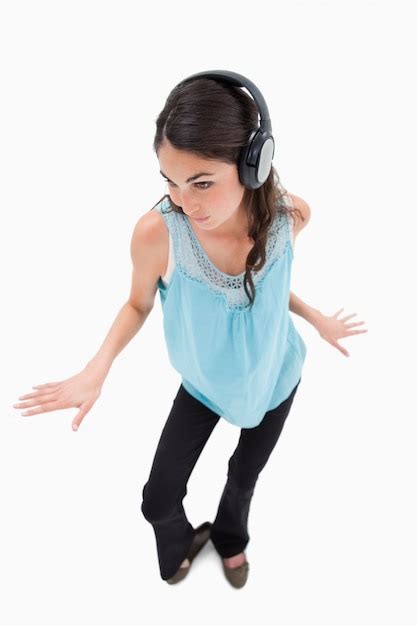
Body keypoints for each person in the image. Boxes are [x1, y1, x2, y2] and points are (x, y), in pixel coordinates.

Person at [12, 72, 368, 588]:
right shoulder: (158, 233)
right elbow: (137, 304)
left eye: (201, 182)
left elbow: (266, 287)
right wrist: (97, 368)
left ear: (254, 165)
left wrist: (317, 321)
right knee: (157, 499)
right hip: (204, 381)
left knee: (243, 478)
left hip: (274, 376)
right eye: (170, 181)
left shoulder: (290, 217)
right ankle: (182, 542)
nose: (185, 201)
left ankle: (230, 539)